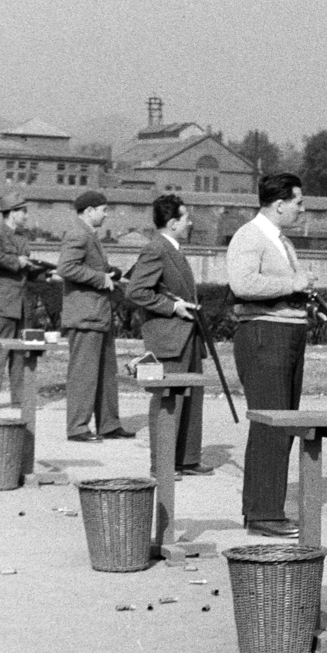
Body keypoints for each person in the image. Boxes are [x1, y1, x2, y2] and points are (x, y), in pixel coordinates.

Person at [226, 173, 327, 537]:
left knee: (284, 425)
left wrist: (318, 307)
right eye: (299, 203)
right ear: (279, 204)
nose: (302, 210)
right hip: (264, 336)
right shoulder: (249, 236)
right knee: (272, 425)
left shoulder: (282, 241)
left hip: (287, 334)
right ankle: (264, 514)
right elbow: (242, 284)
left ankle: (264, 509)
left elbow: (287, 291)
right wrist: (292, 284)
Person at [125, 193, 208, 477]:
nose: (190, 223)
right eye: (186, 218)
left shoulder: (170, 247)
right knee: (168, 398)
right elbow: (136, 291)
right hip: (169, 337)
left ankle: (185, 459)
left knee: (191, 397)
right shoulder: (156, 249)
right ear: (173, 223)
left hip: (187, 335)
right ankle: (162, 464)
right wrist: (173, 307)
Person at [58, 190, 130, 442]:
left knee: (107, 373)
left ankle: (108, 424)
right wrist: (101, 278)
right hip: (86, 315)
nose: (107, 214)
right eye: (104, 210)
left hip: (98, 314)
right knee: (84, 373)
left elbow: (87, 266)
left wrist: (111, 273)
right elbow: (66, 267)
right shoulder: (78, 232)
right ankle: (77, 427)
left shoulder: (89, 234)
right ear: (89, 211)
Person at [0, 192, 48, 411]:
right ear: (12, 213)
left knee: (20, 353)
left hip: (21, 306)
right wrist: (16, 261)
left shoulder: (22, 238)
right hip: (1, 305)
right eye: (23, 211)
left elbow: (24, 270)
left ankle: (20, 399)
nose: (26, 216)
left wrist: (44, 272)